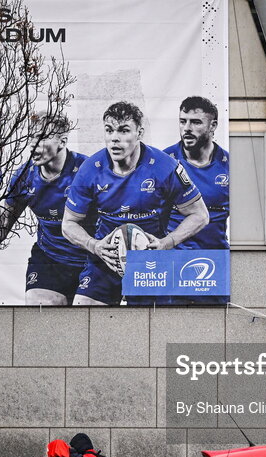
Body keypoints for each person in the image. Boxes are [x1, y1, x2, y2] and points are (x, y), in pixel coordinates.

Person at [61, 101, 210, 305]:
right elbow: (68, 223)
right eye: (109, 130)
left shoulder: (164, 167)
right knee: (84, 310)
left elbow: (200, 215)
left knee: (149, 325)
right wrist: (94, 245)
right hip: (106, 257)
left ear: (139, 133)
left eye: (123, 131)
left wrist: (167, 243)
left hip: (150, 259)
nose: (114, 138)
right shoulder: (90, 170)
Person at [0, 113, 89, 305]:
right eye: (31, 137)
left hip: (89, 259)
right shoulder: (25, 176)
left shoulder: (88, 170)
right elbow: (2, 224)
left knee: (88, 316)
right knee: (41, 308)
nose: (33, 144)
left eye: (41, 138)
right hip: (50, 258)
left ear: (62, 141)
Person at [162, 96, 230, 305]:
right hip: (173, 262)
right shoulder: (165, 161)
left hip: (214, 263)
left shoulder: (230, 165)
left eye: (196, 122)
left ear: (213, 126)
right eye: (183, 121)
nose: (187, 128)